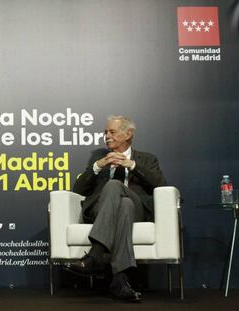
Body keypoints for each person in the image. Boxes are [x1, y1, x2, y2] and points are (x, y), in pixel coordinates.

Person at [68, 115, 166, 302]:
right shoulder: (99, 160)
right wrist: (97, 166)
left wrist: (133, 166)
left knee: (117, 189)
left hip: (139, 209)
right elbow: (77, 190)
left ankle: (96, 253)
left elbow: (160, 185)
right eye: (105, 132)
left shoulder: (146, 159)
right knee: (124, 206)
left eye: (112, 132)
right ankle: (119, 282)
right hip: (102, 211)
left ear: (128, 134)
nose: (107, 136)